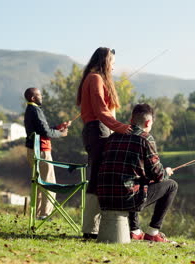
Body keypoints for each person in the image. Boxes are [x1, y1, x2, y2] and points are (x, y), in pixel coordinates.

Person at [97, 103, 177, 242]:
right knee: (171, 185)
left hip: (104, 198)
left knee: (134, 180)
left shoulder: (113, 137)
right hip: (126, 199)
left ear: (131, 120)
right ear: (148, 122)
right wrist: (166, 172)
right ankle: (152, 232)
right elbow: (158, 175)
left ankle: (135, 230)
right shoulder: (145, 138)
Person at [76, 47, 131, 238]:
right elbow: (101, 110)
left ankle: (94, 228)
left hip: (98, 130)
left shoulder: (92, 78)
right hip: (97, 130)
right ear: (105, 61)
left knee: (99, 177)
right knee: (97, 179)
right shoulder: (95, 78)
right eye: (112, 63)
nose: (114, 68)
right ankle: (90, 230)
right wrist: (121, 127)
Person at [24, 87, 71, 220]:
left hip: (32, 151)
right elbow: (46, 133)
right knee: (49, 183)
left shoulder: (30, 110)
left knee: (39, 183)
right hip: (42, 152)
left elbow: (43, 129)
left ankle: (37, 214)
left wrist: (58, 127)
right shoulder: (36, 110)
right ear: (33, 98)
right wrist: (62, 134)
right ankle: (45, 214)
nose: (42, 97)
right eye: (39, 95)